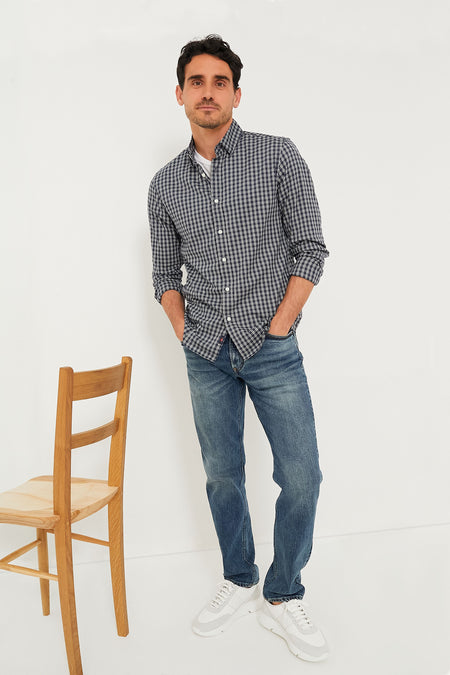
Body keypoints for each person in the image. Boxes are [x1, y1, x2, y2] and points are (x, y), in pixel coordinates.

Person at [148, 34, 329, 662]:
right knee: (222, 475)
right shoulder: (164, 185)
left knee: (301, 476)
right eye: (196, 82)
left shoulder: (278, 156)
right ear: (179, 94)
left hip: (272, 347)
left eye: (219, 82)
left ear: (236, 94)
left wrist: (281, 324)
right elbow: (163, 274)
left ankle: (282, 593)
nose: (208, 92)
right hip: (205, 352)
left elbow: (311, 248)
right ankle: (239, 576)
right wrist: (184, 331)